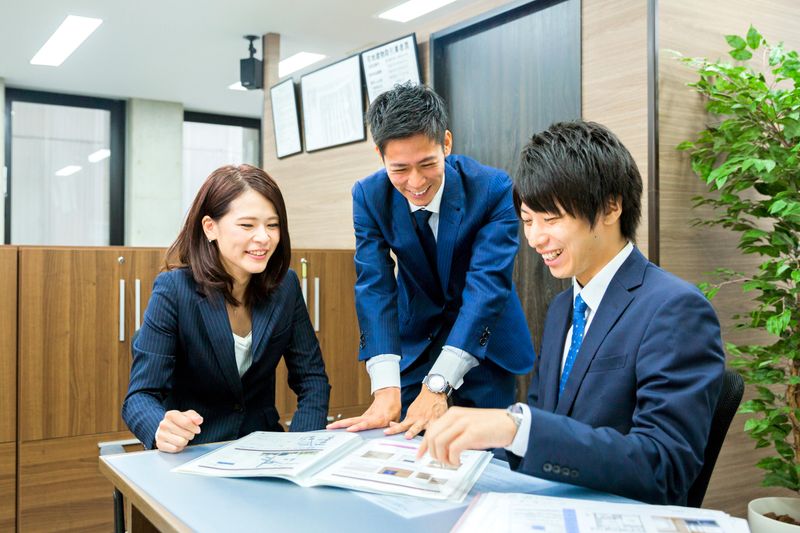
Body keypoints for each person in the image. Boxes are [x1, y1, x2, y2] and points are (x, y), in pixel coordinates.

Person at [419, 121, 725, 505]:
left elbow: (665, 466)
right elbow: (545, 426)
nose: (535, 238)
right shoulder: (563, 308)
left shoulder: (676, 309)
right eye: (528, 220)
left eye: (551, 219)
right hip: (552, 505)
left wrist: (514, 427)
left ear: (611, 207)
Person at [328, 83, 534, 438]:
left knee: (485, 453)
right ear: (380, 155)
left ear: (447, 144)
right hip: (416, 339)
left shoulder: (492, 189)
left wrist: (438, 384)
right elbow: (375, 286)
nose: (416, 181)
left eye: (427, 164)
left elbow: (486, 287)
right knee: (401, 445)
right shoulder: (369, 196)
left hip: (484, 342)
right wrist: (385, 387)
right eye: (400, 169)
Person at [122, 164, 330, 452]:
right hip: (194, 450)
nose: (264, 237)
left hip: (262, 449)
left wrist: (299, 447)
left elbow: (312, 380)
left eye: (272, 225)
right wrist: (161, 428)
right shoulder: (174, 290)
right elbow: (140, 396)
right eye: (247, 225)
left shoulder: (286, 287)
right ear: (210, 227)